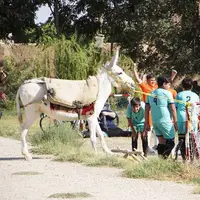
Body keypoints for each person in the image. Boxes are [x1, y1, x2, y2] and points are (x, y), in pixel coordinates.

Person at [145, 75, 178, 159]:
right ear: (164, 84)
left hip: (155, 121)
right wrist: (176, 121)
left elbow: (147, 109)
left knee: (161, 142)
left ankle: (160, 161)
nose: (169, 86)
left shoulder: (151, 93)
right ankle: (164, 159)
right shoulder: (167, 93)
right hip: (165, 121)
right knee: (171, 142)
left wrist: (147, 123)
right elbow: (173, 108)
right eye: (168, 84)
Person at [176, 78, 200, 161]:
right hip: (193, 118)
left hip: (182, 118)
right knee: (192, 138)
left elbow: (175, 107)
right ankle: (192, 158)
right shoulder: (196, 95)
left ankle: (184, 158)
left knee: (182, 137)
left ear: (182, 86)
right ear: (192, 86)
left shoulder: (179, 95)